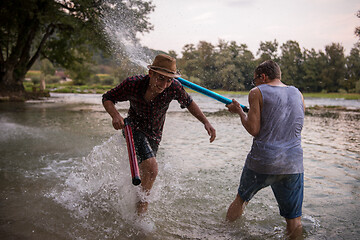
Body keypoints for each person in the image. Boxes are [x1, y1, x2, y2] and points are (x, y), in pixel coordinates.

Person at [102, 54, 216, 215]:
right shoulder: (133, 84)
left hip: (155, 135)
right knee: (152, 168)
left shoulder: (174, 87)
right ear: (151, 74)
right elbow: (107, 98)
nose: (164, 84)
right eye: (160, 78)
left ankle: (123, 199)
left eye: (169, 80)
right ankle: (141, 213)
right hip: (132, 128)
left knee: (146, 175)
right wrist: (115, 115)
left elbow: (189, 103)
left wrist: (206, 122)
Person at [225, 60, 305, 239]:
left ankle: (225, 234)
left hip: (263, 161)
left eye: (255, 80)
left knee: (241, 199)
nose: (254, 84)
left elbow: (254, 129)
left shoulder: (257, 92)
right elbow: (295, 123)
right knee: (294, 220)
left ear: (263, 76)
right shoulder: (297, 93)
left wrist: (239, 111)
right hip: (293, 163)